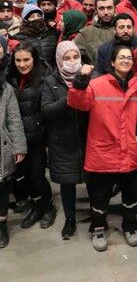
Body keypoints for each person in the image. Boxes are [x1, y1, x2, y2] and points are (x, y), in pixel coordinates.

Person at [67, 45, 137, 252]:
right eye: (121, 57)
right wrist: (80, 80)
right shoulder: (96, 84)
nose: (126, 60)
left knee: (130, 195)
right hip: (103, 151)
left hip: (129, 148)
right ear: (112, 62)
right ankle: (98, 228)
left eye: (129, 57)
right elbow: (77, 102)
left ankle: (130, 226)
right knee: (99, 196)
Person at [41, 41, 88, 240]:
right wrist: (72, 95)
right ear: (59, 60)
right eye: (67, 58)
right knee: (67, 183)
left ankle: (98, 216)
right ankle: (70, 219)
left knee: (95, 182)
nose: (72, 61)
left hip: (88, 138)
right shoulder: (50, 81)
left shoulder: (89, 77)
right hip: (62, 140)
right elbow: (46, 110)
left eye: (75, 57)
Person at [7, 42, 55, 230]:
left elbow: (47, 111)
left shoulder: (45, 78)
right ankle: (37, 205)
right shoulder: (10, 77)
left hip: (37, 136)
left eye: (26, 59)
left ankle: (48, 207)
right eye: (18, 60)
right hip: (17, 136)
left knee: (37, 175)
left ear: (34, 59)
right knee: (24, 175)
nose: (22, 64)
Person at [0, 36, 27, 249]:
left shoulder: (5, 88)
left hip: (2, 145)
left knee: (2, 187)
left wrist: (18, 145)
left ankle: (1, 226)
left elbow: (14, 119)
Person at [74, 0, 117, 64]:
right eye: (101, 8)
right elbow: (72, 54)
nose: (106, 12)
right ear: (96, 10)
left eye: (109, 8)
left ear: (115, 9)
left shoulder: (125, 28)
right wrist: (84, 66)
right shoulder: (85, 33)